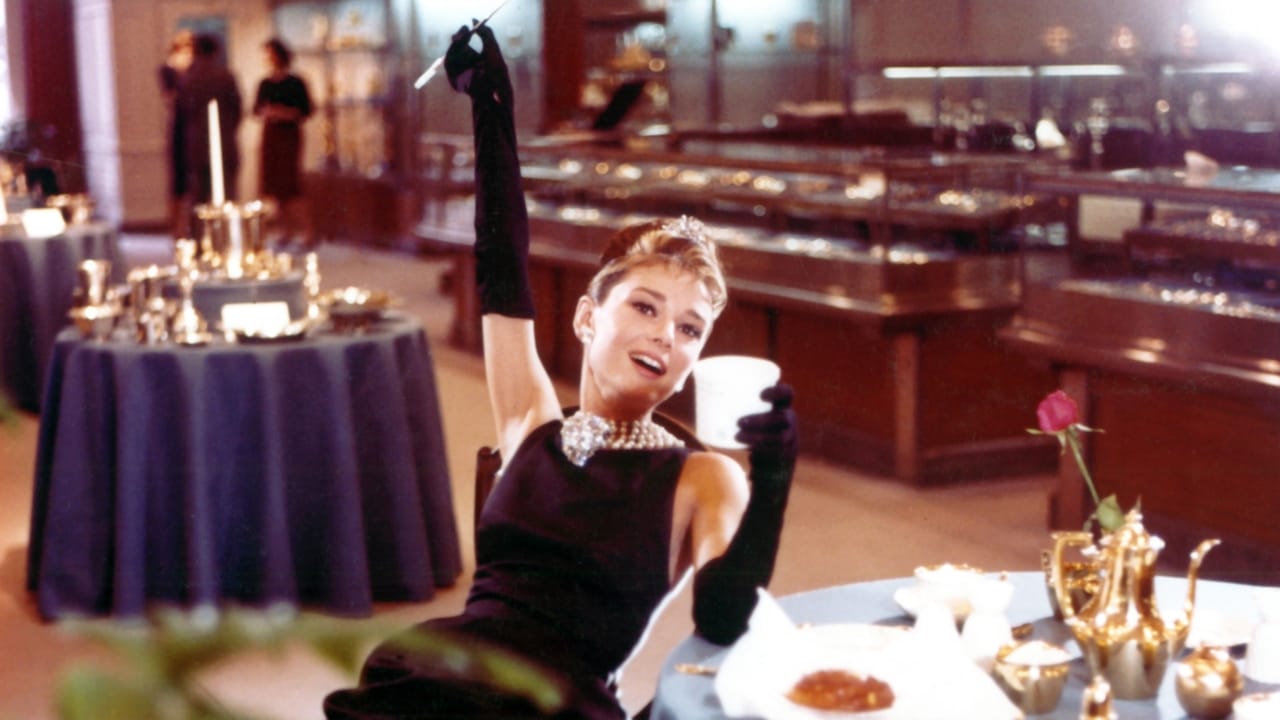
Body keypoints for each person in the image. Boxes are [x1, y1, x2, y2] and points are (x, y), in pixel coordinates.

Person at [323, 24, 797, 719]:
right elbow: (501, 266)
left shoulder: (705, 478)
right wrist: (492, 107)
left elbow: (724, 619)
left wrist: (774, 479)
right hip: (438, 675)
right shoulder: (530, 422)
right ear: (585, 319)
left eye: (689, 329)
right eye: (645, 306)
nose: (664, 335)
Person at [253, 38, 313, 249]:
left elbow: (306, 110)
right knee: (275, 187)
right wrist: (269, 113)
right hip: (271, 136)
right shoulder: (265, 83)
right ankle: (286, 229)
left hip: (289, 137)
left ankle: (307, 231)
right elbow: (257, 109)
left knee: (291, 186)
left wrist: (285, 113)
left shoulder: (295, 82)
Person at [177, 33, 242, 207]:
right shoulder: (225, 76)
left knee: (198, 198)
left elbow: (182, 112)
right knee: (227, 195)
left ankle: (199, 226)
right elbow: (237, 109)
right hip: (224, 141)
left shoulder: (188, 78)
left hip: (196, 143)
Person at [159, 30, 194, 237]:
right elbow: (171, 98)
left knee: (193, 186)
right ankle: (176, 231)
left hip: (194, 128)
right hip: (179, 129)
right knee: (178, 185)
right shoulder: (168, 69)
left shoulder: (194, 70)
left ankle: (190, 229)